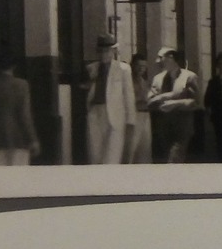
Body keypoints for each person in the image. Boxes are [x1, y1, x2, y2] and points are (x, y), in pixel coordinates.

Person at [0, 51, 39, 166]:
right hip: (18, 139)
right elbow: (24, 115)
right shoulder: (21, 85)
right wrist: (33, 139)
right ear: (14, 66)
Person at [84, 33, 136, 164]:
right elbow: (84, 89)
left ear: (113, 51)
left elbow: (128, 96)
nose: (104, 54)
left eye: (107, 51)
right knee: (95, 156)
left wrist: (131, 121)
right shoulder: (91, 68)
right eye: (101, 51)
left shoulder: (123, 69)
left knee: (112, 158)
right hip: (95, 114)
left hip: (115, 117)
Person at [148, 48, 200, 163]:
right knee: (168, 158)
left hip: (182, 127)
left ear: (171, 58)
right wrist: (163, 97)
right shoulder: (157, 79)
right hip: (164, 126)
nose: (158, 62)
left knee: (174, 158)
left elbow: (195, 102)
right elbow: (150, 101)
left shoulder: (189, 77)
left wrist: (174, 104)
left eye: (161, 58)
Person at [126, 53, 152, 163]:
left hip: (145, 116)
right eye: (139, 66)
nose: (142, 69)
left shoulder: (144, 81)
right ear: (133, 65)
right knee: (131, 149)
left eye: (144, 66)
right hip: (134, 116)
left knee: (145, 149)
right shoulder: (128, 81)